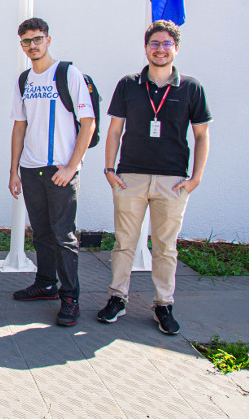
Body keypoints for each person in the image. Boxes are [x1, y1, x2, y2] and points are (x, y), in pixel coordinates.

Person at [98, 20, 211, 335]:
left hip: (172, 180)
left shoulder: (191, 88)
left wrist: (195, 178)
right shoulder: (129, 84)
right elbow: (115, 130)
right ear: (145, 47)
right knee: (124, 243)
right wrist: (109, 169)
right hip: (130, 177)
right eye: (154, 43)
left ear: (176, 48)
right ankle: (117, 298)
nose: (160, 49)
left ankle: (164, 305)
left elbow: (202, 136)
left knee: (166, 247)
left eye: (166, 44)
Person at [8, 18, 95, 327]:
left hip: (60, 170)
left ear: (48, 40)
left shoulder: (68, 73)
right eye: (26, 41)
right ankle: (46, 283)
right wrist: (14, 170)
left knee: (64, 235)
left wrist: (72, 166)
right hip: (31, 170)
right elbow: (19, 127)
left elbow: (89, 123)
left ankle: (70, 297)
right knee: (42, 232)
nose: (33, 45)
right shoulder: (24, 80)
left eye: (38, 39)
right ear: (21, 45)